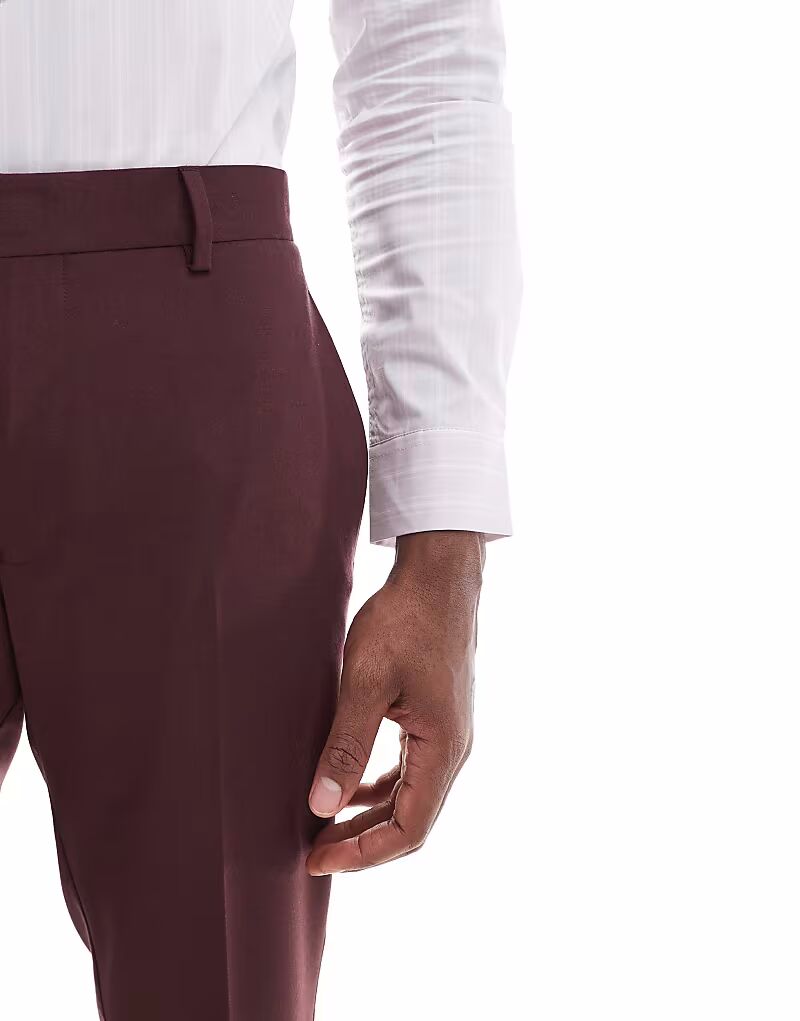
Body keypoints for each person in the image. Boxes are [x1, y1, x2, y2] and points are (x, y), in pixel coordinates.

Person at [0, 1, 522, 1018]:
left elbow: (421, 33)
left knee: (214, 989)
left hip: (194, 353)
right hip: (197, 322)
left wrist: (445, 545)